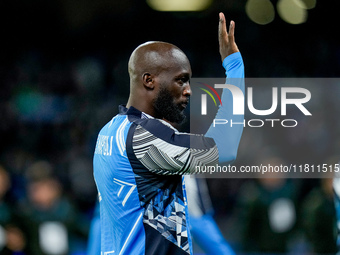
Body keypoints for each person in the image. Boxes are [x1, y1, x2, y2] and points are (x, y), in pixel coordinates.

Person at [93, 12, 244, 255]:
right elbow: (224, 148)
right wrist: (235, 68)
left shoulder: (110, 131)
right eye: (181, 81)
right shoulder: (144, 137)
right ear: (149, 80)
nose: (188, 91)